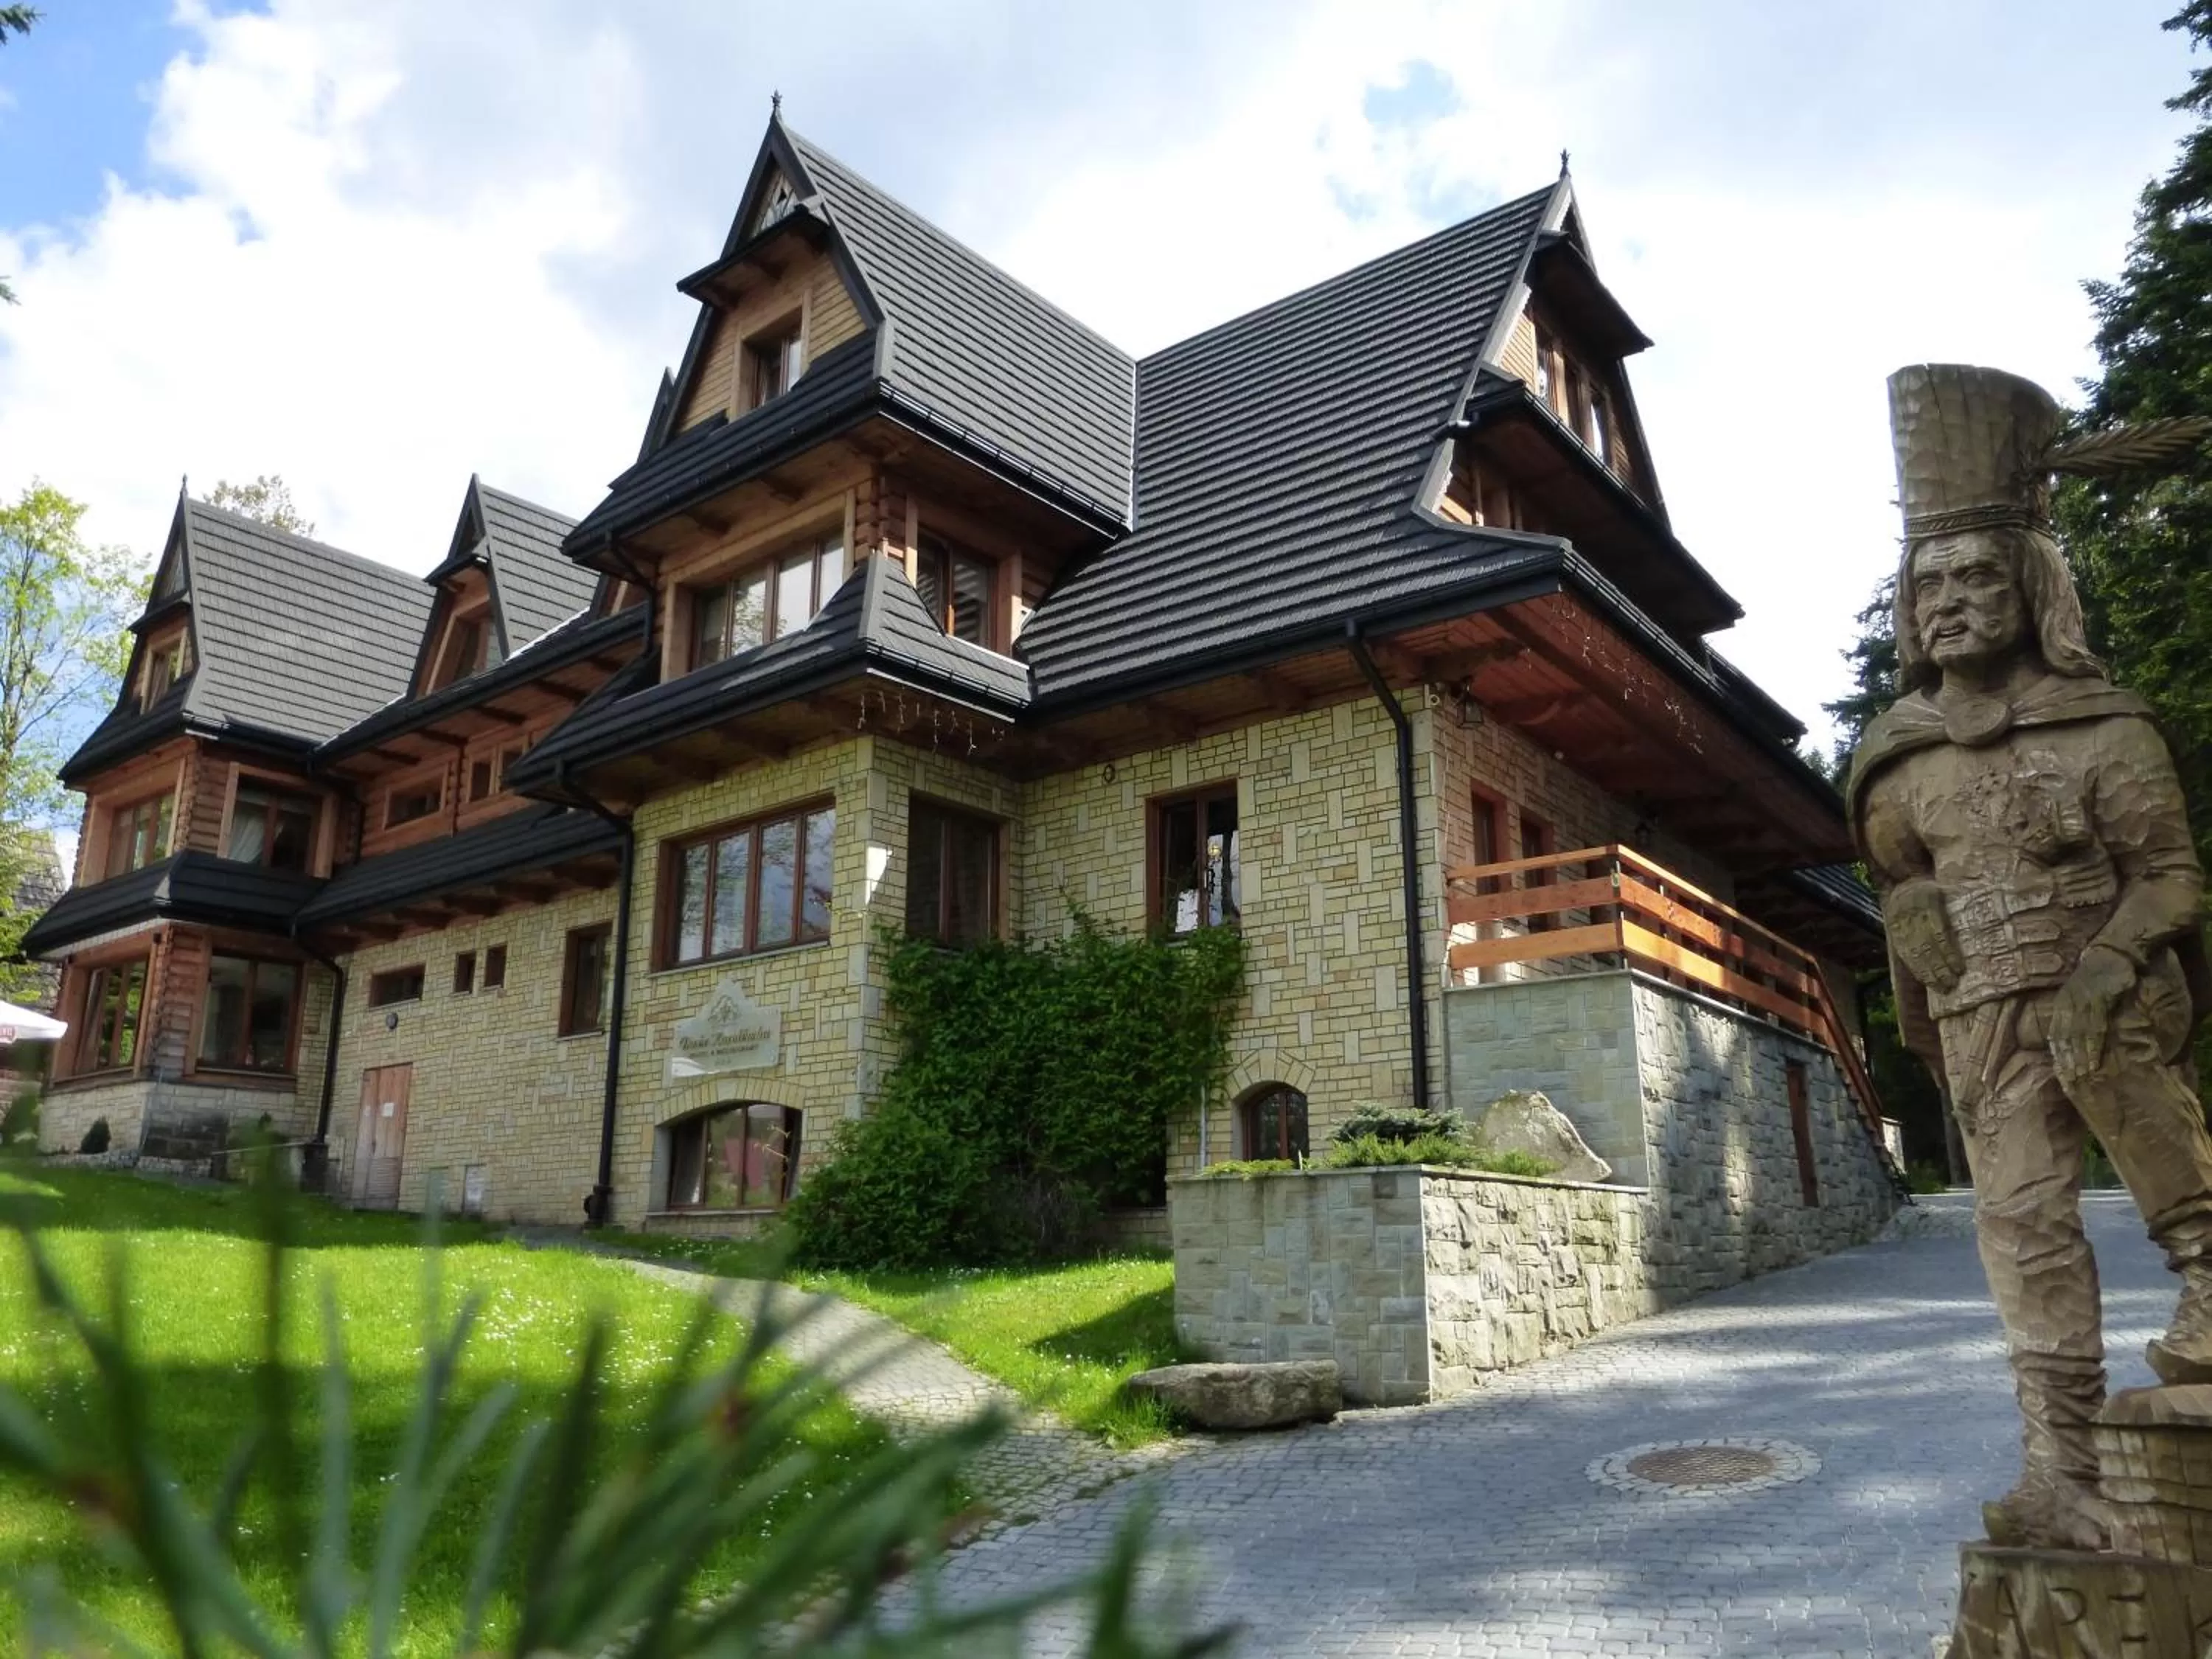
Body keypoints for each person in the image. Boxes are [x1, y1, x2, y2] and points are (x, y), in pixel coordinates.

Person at [1850, 364, 2212, 1551]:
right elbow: (1901, 868)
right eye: (1929, 582)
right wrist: (1905, 906)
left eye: (1976, 574)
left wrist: (2111, 961)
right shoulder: (1896, 759)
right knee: (2020, 1226)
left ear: (2032, 583)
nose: (1950, 600)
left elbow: (2169, 873)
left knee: (2152, 1129)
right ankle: (2060, 1464)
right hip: (1981, 1013)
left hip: (2101, 995)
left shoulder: (2106, 728)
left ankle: (2211, 1284)